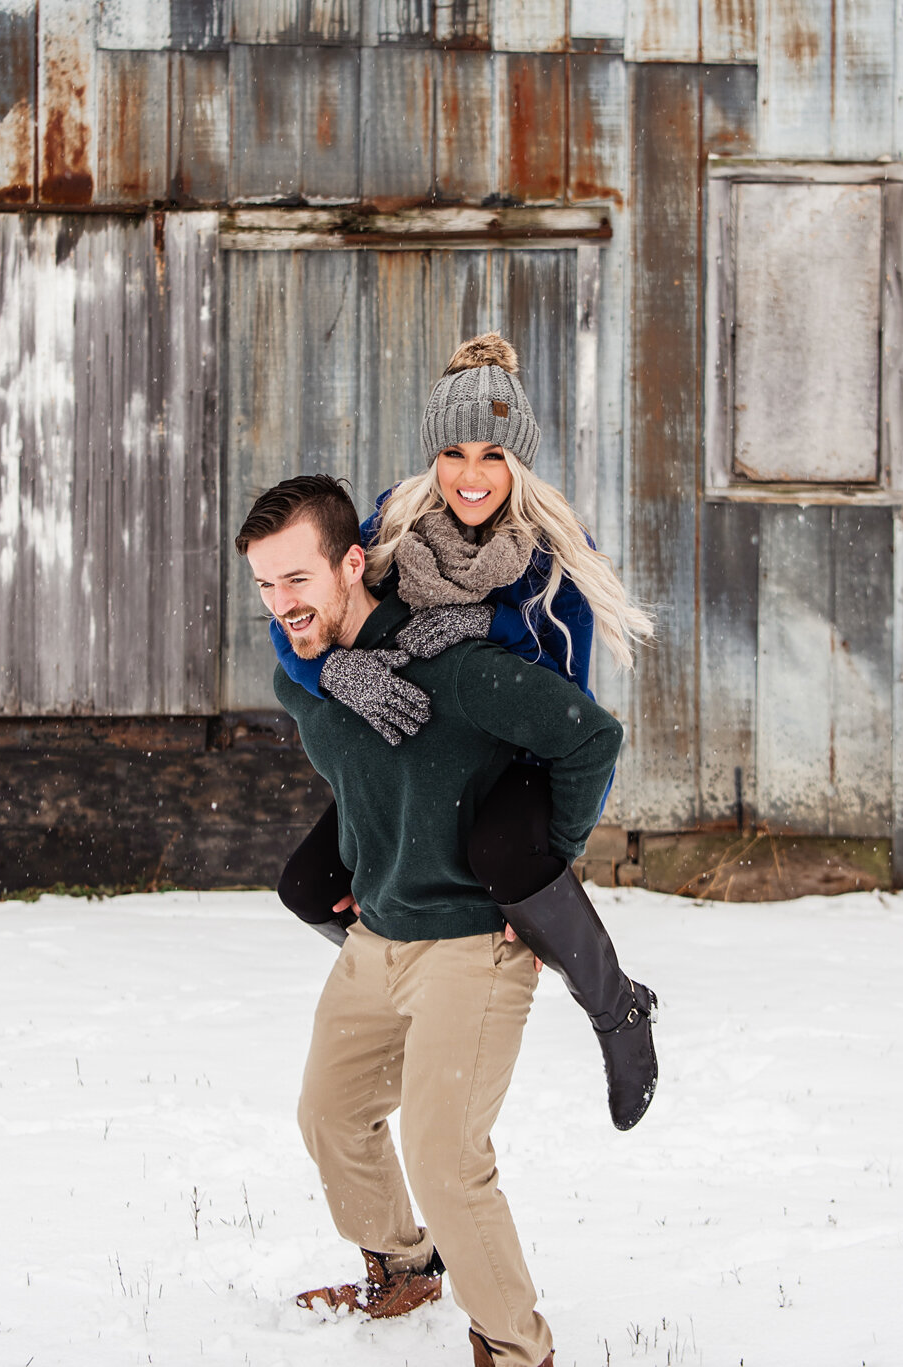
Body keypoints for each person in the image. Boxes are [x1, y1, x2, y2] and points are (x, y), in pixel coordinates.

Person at [239, 473, 624, 1367]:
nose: (281, 604)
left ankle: (516, 1348)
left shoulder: (455, 667)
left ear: (353, 561)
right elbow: (328, 711)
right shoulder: (308, 677)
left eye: (297, 579)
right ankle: (405, 1268)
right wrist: (328, 668)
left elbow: (589, 736)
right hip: (378, 934)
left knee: (447, 1157)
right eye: (264, 583)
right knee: (330, 1115)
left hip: (473, 947)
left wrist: (536, 871)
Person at [272, 333, 661, 1132]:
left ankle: (617, 1007)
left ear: (518, 460)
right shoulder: (392, 523)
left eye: (491, 453)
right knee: (308, 882)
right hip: (425, 753)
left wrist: (489, 624)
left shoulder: (552, 559)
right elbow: (298, 609)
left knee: (502, 857)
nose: (471, 475)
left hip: (515, 766)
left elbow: (569, 710)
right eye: (453, 451)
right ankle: (414, 968)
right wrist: (328, 673)